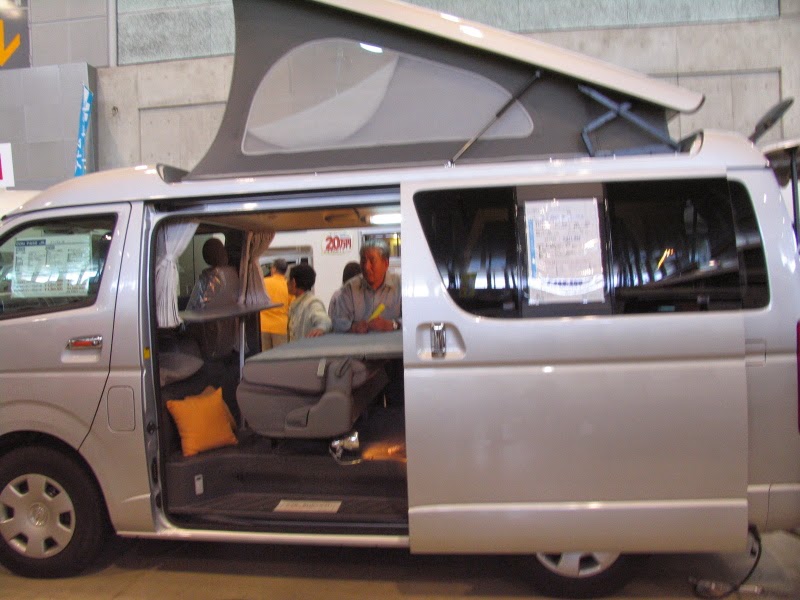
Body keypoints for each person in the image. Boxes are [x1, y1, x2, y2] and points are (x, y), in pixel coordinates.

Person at [185, 238, 240, 359]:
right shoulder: (233, 274)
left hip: (208, 334)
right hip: (229, 333)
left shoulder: (208, 278)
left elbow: (195, 309)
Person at [329, 241, 401, 334]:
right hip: (359, 343)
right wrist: (353, 327)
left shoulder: (401, 286)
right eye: (363, 261)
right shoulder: (350, 289)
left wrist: (394, 324)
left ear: (386, 264)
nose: (366, 267)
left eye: (372, 261)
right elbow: (337, 321)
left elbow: (414, 318)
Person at [287, 263, 332, 340]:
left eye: (288, 279)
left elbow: (325, 321)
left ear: (294, 282)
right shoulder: (298, 303)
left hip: (305, 347)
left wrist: (320, 328)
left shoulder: (312, 303)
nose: (286, 283)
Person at [260, 258, 292, 350]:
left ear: (274, 269)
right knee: (280, 355)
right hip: (280, 326)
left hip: (263, 325)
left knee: (266, 355)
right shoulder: (288, 286)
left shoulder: (263, 282)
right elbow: (292, 307)